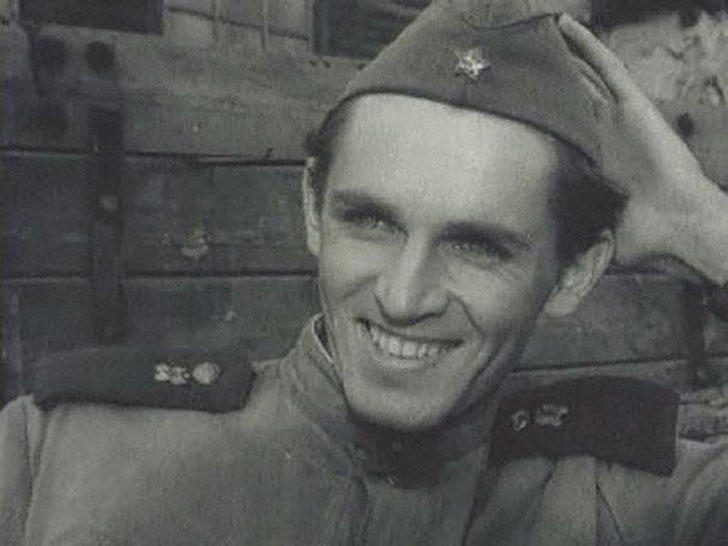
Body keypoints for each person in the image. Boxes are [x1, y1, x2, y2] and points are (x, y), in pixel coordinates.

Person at [2, 1, 727, 544]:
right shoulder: (59, 452)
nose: (402, 297)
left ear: (574, 273)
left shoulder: (646, 508)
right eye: (372, 222)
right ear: (313, 209)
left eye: (477, 247)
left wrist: (705, 230)